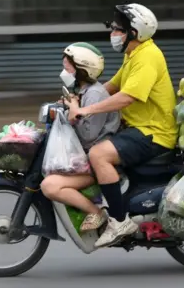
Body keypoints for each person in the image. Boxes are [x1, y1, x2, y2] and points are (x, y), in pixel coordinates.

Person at [68, 3, 179, 247]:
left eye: (118, 29)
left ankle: (118, 221)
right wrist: (76, 100)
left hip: (154, 133)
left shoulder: (148, 56)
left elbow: (127, 97)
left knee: (99, 154)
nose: (113, 33)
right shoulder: (134, 55)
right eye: (114, 28)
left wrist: (86, 110)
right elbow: (111, 88)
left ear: (134, 33)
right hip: (137, 128)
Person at [40, 42, 121, 232]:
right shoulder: (82, 92)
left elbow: (88, 136)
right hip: (83, 160)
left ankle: (98, 214)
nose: (64, 70)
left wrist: (72, 113)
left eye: (67, 66)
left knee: (50, 186)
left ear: (82, 70)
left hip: (94, 164)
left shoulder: (95, 95)